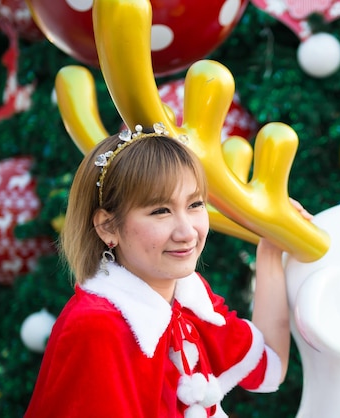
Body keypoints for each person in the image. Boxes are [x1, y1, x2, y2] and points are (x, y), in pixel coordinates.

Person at [25, 123, 311, 418]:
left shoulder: (189, 299)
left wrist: (269, 252)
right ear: (108, 226)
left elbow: (269, 365)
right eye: (160, 211)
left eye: (195, 204)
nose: (187, 232)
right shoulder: (97, 326)